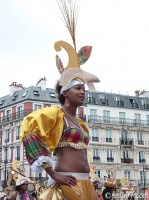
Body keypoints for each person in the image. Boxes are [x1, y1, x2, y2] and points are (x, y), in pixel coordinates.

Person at [19, 1, 100, 199]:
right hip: (66, 183)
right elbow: (29, 133)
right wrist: (53, 174)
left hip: (86, 185)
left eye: (84, 88)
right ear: (65, 93)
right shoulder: (55, 115)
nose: (83, 92)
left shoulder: (81, 124)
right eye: (78, 88)